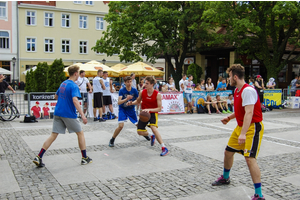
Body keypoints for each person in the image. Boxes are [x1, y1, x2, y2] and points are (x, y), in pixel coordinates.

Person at [212, 64, 265, 200]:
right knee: (228, 152)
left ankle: (259, 195)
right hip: (241, 127)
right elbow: (241, 111)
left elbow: (249, 113)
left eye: (229, 76)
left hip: (252, 128)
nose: (228, 79)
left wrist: (243, 133)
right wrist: (229, 117)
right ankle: (225, 177)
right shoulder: (237, 91)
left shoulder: (248, 91)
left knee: (249, 159)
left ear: (235, 77)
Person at [33, 65, 92, 167]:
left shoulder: (63, 83)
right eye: (78, 72)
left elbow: (56, 96)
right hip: (68, 114)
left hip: (58, 112)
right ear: (75, 73)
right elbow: (75, 100)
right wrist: (83, 115)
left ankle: (39, 156)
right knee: (80, 133)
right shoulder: (73, 86)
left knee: (53, 135)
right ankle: (84, 158)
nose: (78, 75)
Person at [128, 76, 169, 156]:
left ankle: (164, 148)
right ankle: (151, 136)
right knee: (139, 132)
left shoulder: (158, 94)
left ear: (152, 84)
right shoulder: (142, 92)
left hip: (153, 113)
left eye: (147, 83)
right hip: (144, 113)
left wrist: (149, 110)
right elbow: (138, 101)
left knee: (153, 128)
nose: (144, 85)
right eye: (144, 83)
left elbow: (159, 109)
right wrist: (131, 103)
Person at [109, 76, 150, 147]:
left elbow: (138, 100)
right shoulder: (122, 90)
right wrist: (126, 99)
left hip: (131, 110)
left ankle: (145, 135)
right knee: (121, 126)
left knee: (138, 125)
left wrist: (141, 107)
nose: (129, 83)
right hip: (123, 109)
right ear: (125, 83)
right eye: (128, 82)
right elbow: (119, 102)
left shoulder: (134, 90)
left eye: (130, 81)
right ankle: (112, 139)